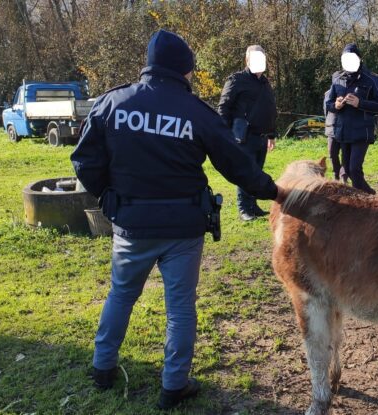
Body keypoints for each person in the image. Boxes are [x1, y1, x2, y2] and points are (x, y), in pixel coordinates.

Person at [70, 29, 283, 410]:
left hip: (131, 224)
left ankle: (102, 368)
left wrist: (110, 198)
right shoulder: (195, 112)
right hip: (183, 228)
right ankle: (174, 386)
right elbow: (235, 164)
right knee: (180, 307)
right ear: (184, 70)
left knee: (121, 294)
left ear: (149, 65)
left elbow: (84, 161)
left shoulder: (112, 103)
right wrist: (274, 192)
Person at [217, 45, 277, 221]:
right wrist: (223, 134)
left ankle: (253, 206)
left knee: (256, 172)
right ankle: (244, 209)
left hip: (262, 136)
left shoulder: (265, 83)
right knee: (245, 171)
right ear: (247, 60)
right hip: (243, 136)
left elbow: (270, 109)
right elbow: (224, 107)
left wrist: (272, 135)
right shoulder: (236, 80)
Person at [324, 43, 378, 194]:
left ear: (359, 59)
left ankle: (369, 196)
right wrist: (336, 105)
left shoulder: (372, 79)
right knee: (348, 171)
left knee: (354, 169)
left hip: (361, 132)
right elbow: (329, 103)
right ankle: (363, 199)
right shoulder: (337, 78)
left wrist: (360, 103)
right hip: (343, 132)